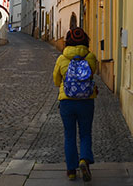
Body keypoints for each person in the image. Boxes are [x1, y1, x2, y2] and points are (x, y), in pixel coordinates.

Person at [53, 27, 98, 181]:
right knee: (85, 133)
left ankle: (71, 170)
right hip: (86, 101)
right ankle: (84, 160)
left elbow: (56, 81)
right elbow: (92, 74)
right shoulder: (90, 57)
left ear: (68, 41)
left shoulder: (61, 59)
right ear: (85, 40)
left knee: (69, 135)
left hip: (67, 102)